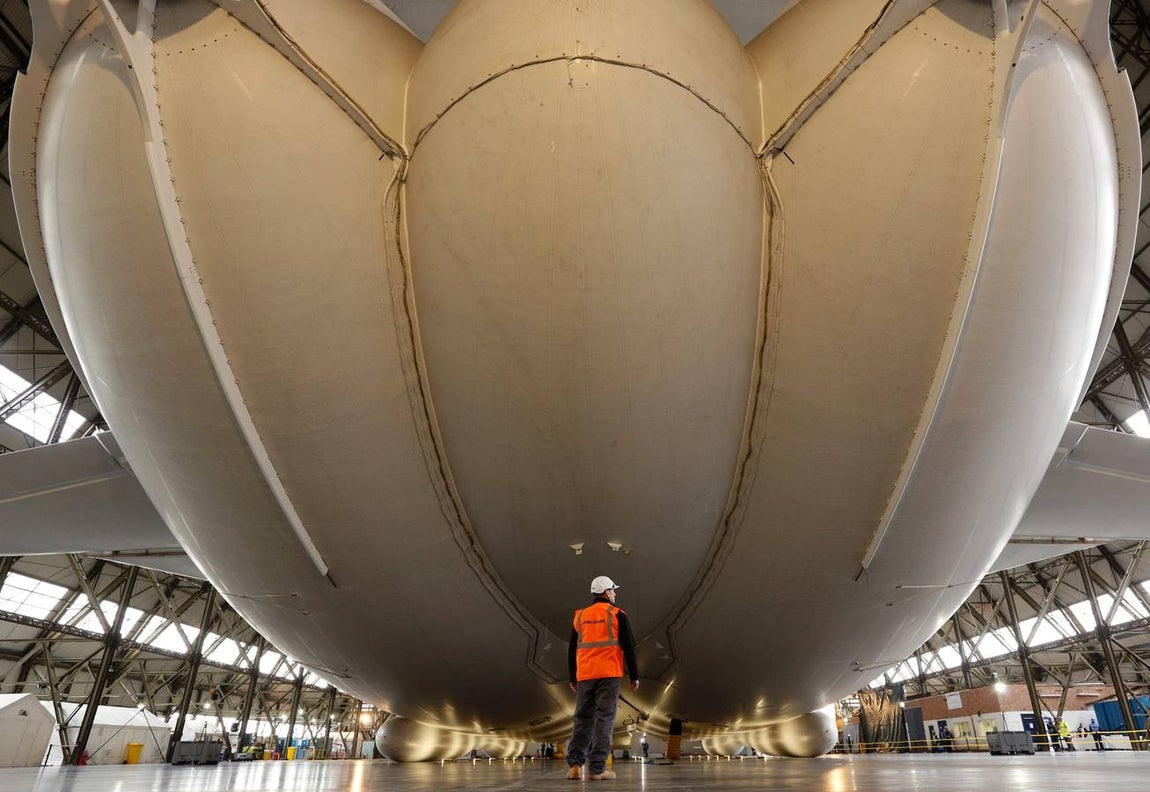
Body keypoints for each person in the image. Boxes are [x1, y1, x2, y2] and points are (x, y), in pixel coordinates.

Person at [566, 576, 640, 781]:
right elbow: (630, 648)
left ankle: (574, 765)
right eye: (613, 591)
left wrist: (573, 677)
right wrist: (634, 675)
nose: (615, 594)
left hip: (585, 674)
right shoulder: (617, 614)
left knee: (582, 718)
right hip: (609, 674)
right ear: (607, 592)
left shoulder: (580, 616)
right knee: (604, 719)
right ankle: (597, 769)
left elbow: (572, 649)